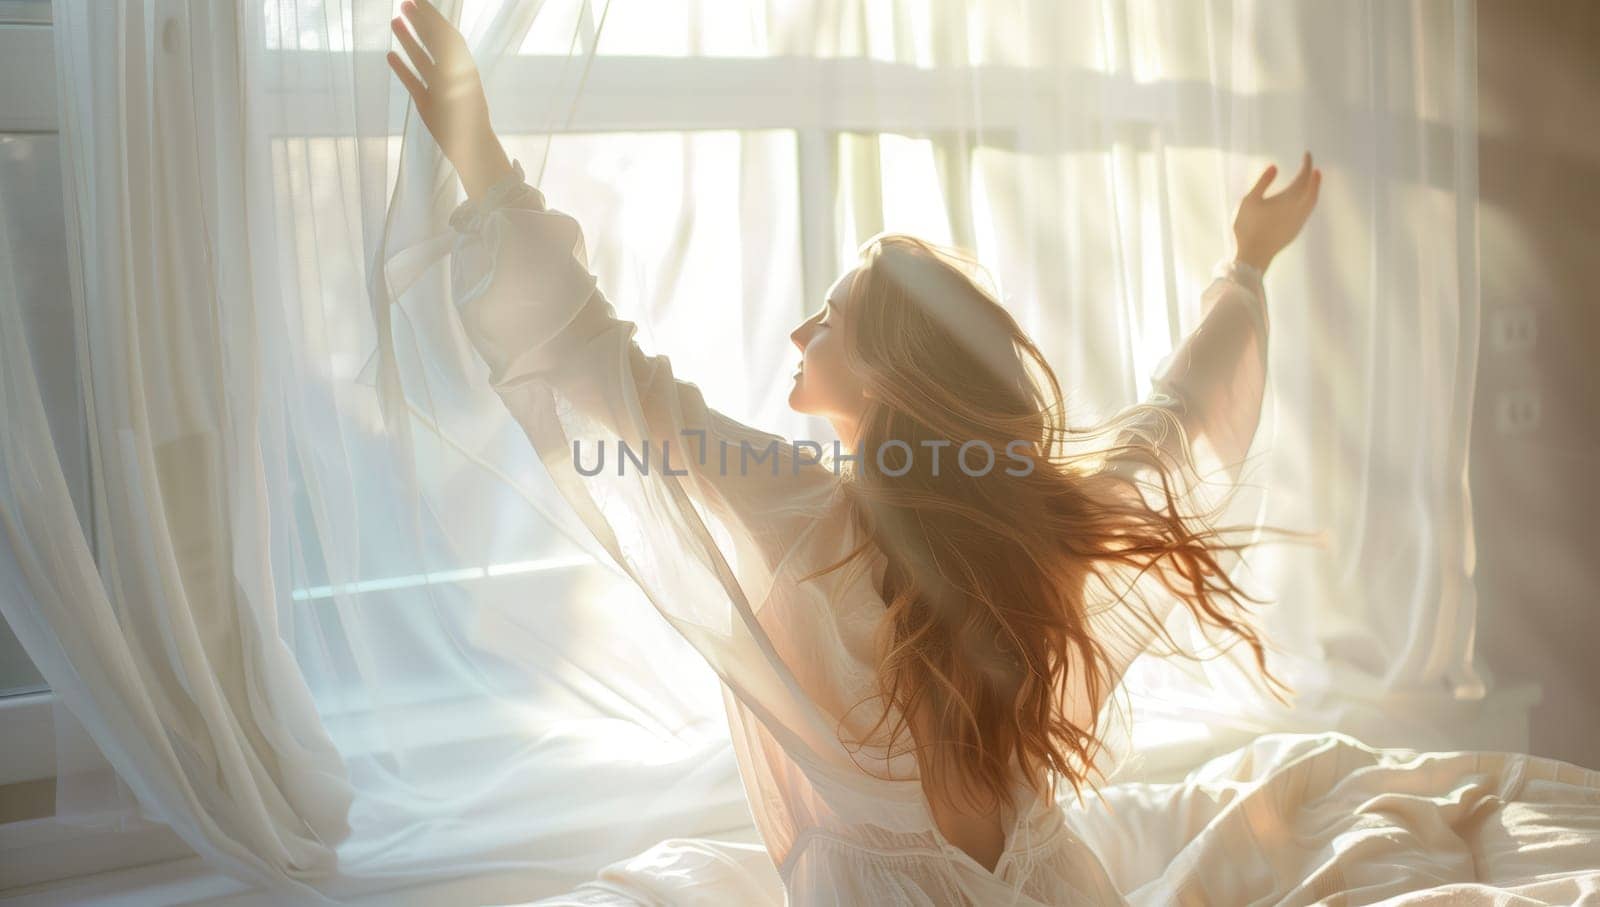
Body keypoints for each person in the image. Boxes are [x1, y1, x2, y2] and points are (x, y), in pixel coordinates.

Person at [387, 2, 1321, 902]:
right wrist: (1246, 266)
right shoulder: (1029, 519)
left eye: (827, 320)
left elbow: (612, 375)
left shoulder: (806, 513)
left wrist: (483, 158)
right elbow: (1178, 418)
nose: (798, 332)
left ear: (884, 376)